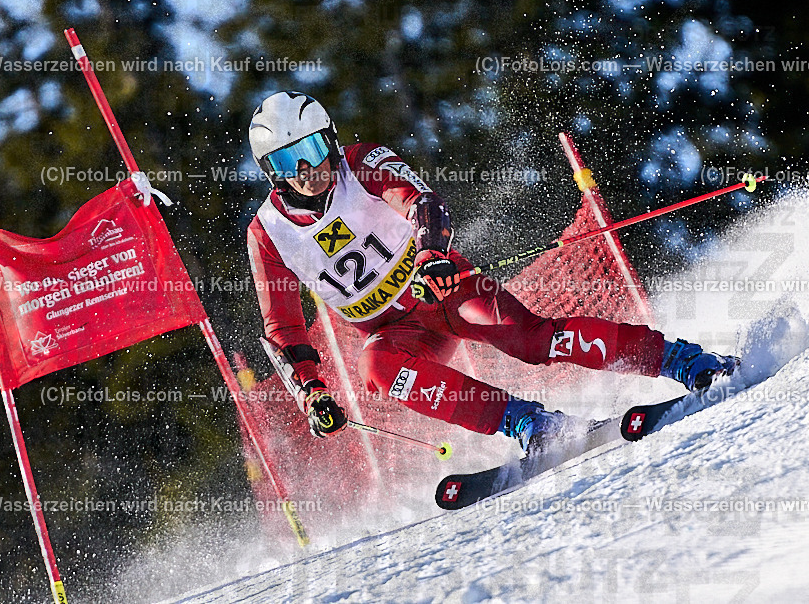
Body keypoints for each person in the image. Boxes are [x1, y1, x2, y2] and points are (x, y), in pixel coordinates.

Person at [246, 91, 738, 453]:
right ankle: (525, 422)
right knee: (375, 368)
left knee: (531, 341)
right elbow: (282, 326)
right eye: (289, 161)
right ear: (271, 170)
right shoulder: (268, 233)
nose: (308, 169)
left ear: (330, 141)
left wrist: (430, 254)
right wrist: (311, 391)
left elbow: (422, 202)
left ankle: (680, 360)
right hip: (395, 333)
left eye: (312, 150)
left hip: (444, 287)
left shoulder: (360, 162)